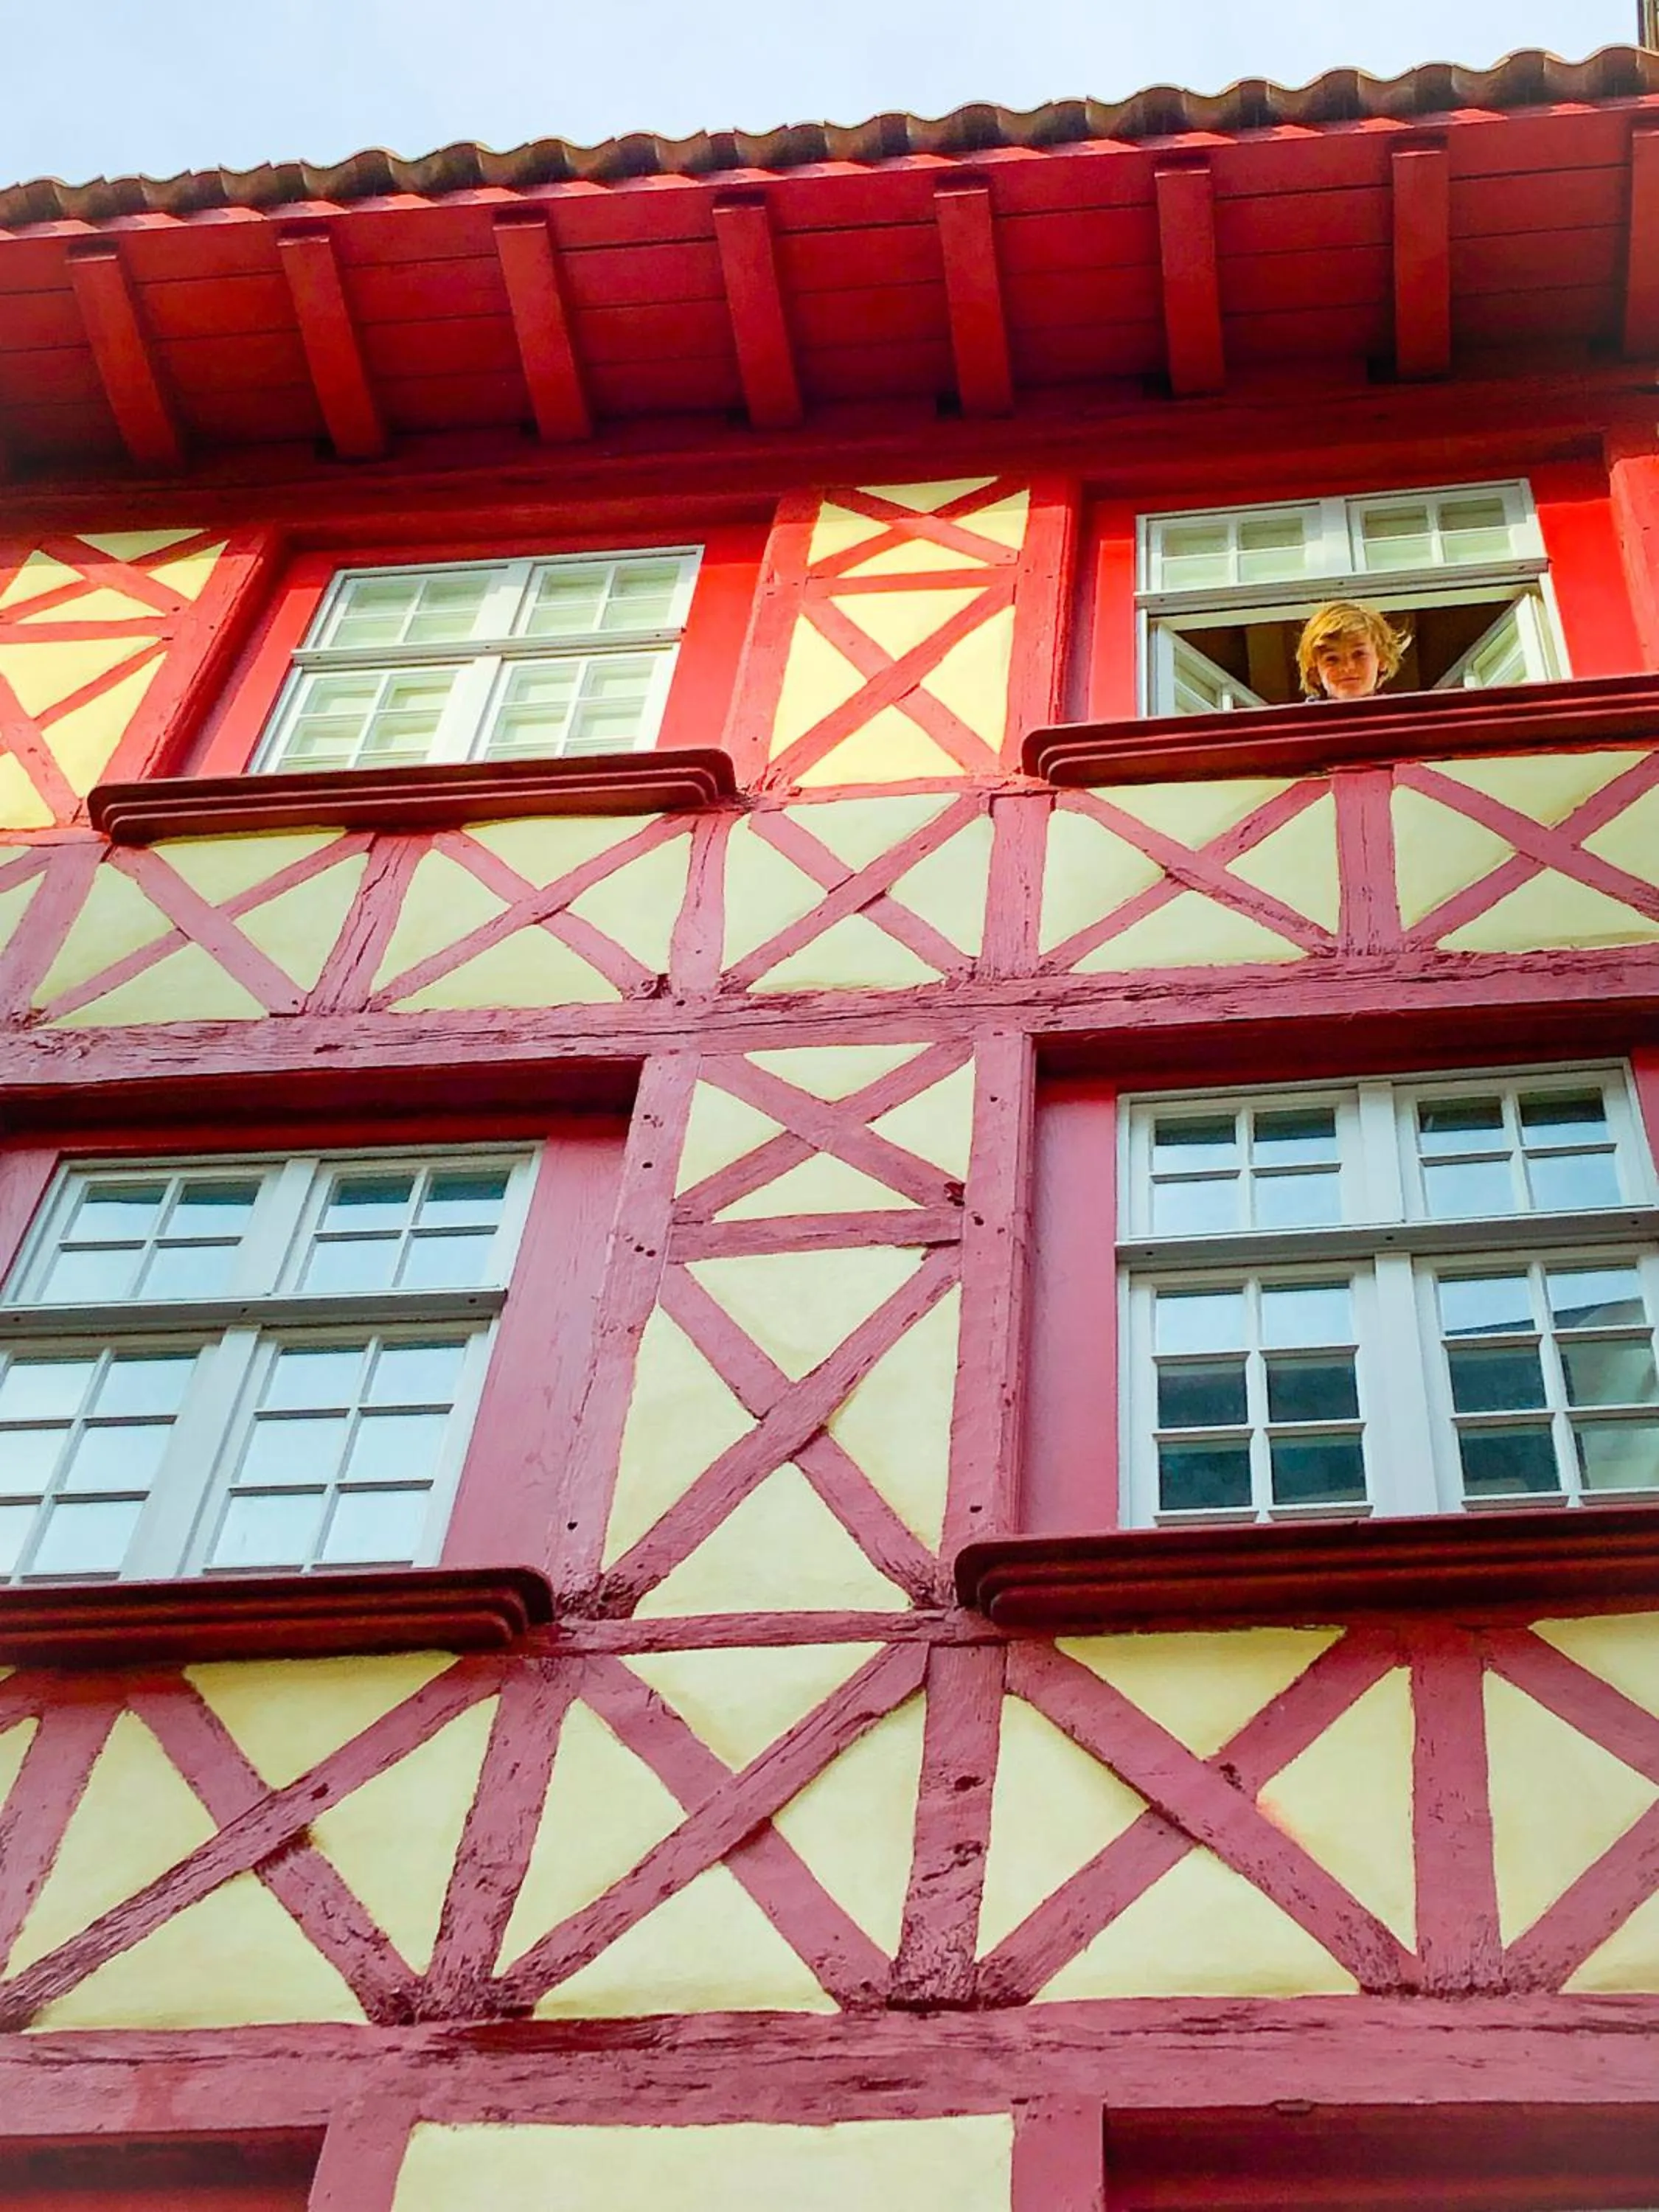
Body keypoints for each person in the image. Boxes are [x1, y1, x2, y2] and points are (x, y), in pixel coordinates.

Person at [1296, 600, 1409, 701]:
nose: (1347, 667)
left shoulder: (1401, 717)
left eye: (1359, 654)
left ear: (1382, 658)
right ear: (1314, 671)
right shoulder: (1300, 721)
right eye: (1332, 659)